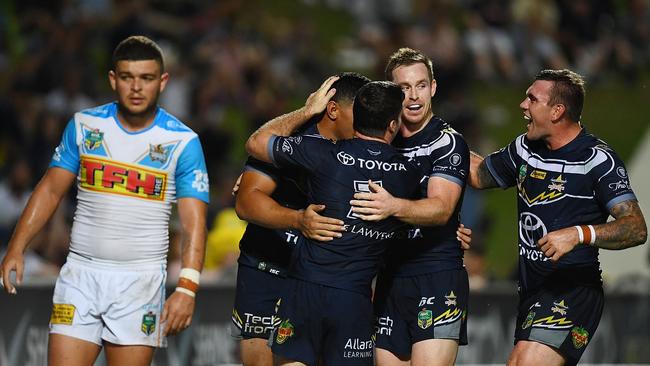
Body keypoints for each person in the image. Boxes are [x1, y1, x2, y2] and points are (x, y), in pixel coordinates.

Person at [0, 35, 210, 366]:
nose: (136, 87)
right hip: (81, 274)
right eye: (127, 77)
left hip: (140, 281)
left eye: (146, 78)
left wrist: (187, 287)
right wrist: (16, 247)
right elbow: (50, 189)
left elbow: (193, 221)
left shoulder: (182, 142)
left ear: (163, 81)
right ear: (113, 79)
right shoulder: (85, 125)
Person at [245, 79, 432, 366]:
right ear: (393, 125)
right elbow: (432, 212)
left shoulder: (324, 154)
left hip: (304, 292)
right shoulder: (408, 174)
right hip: (352, 301)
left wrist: (307, 111)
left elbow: (256, 142)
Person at [468, 69, 647, 365]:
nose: (522, 105)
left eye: (532, 99)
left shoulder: (597, 160)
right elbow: (479, 174)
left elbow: (636, 228)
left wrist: (578, 234)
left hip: (573, 291)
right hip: (533, 292)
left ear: (557, 111)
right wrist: (438, 137)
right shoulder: (525, 148)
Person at [231, 72, 368, 366]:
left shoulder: (366, 150)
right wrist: (297, 220)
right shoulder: (286, 140)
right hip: (266, 268)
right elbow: (246, 202)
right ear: (333, 109)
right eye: (360, 115)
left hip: (324, 280)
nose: (367, 125)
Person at [350, 47, 470, 366]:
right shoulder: (378, 139)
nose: (414, 96)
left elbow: (441, 209)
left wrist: (392, 206)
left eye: (420, 85)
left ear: (433, 87)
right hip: (389, 280)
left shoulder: (447, 142)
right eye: (404, 88)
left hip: (436, 274)